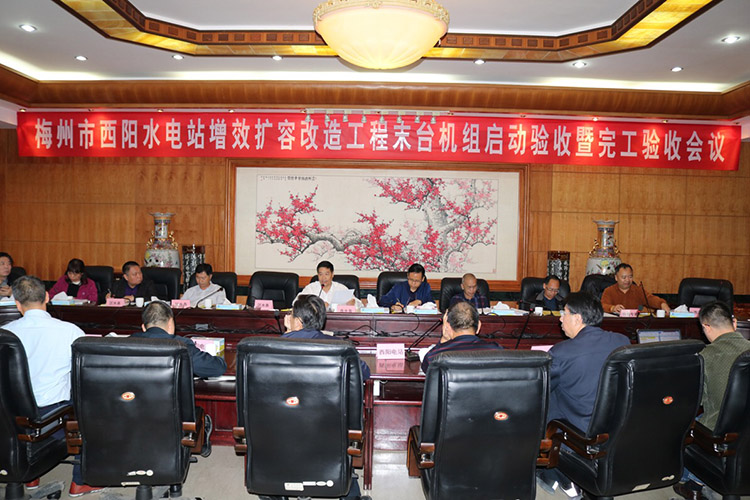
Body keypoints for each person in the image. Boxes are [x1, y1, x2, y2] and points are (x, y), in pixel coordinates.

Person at [3, 276, 102, 497]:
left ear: (17, 303)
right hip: (53, 419)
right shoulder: (70, 331)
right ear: (47, 297)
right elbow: (86, 376)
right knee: (91, 401)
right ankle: (80, 481)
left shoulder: (6, 333)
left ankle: (30, 474)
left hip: (10, 421)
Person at [274, 294, 368, 500]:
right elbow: (364, 372)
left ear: (297, 321)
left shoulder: (271, 347)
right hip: (329, 424)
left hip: (284, 422)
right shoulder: (341, 348)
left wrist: (288, 334)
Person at [537, 292, 630, 497]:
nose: (560, 319)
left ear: (577, 318)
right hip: (617, 428)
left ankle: (554, 471)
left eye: (564, 313)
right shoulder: (621, 341)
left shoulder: (562, 352)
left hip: (581, 432)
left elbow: (540, 391)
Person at [673, 301, 750, 500]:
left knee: (686, 425)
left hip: (725, 434)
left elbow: (695, 402)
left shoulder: (705, 356)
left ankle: (692, 483)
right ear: (734, 322)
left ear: (705, 327)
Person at [130, 301, 227, 378]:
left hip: (133, 397)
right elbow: (218, 368)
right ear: (171, 324)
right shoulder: (181, 345)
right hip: (171, 398)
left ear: (143, 327)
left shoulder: (126, 344)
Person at [421, 301, 502, 373]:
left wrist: (444, 339)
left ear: (448, 327)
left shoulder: (435, 357)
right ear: (479, 326)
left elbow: (427, 370)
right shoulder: (497, 352)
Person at [600, 263, 670, 315]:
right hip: (616, 324)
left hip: (635, 323)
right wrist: (613, 308)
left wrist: (662, 304)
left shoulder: (638, 290)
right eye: (624, 277)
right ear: (616, 278)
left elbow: (650, 299)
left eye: (630, 277)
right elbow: (602, 305)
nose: (627, 280)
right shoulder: (609, 291)